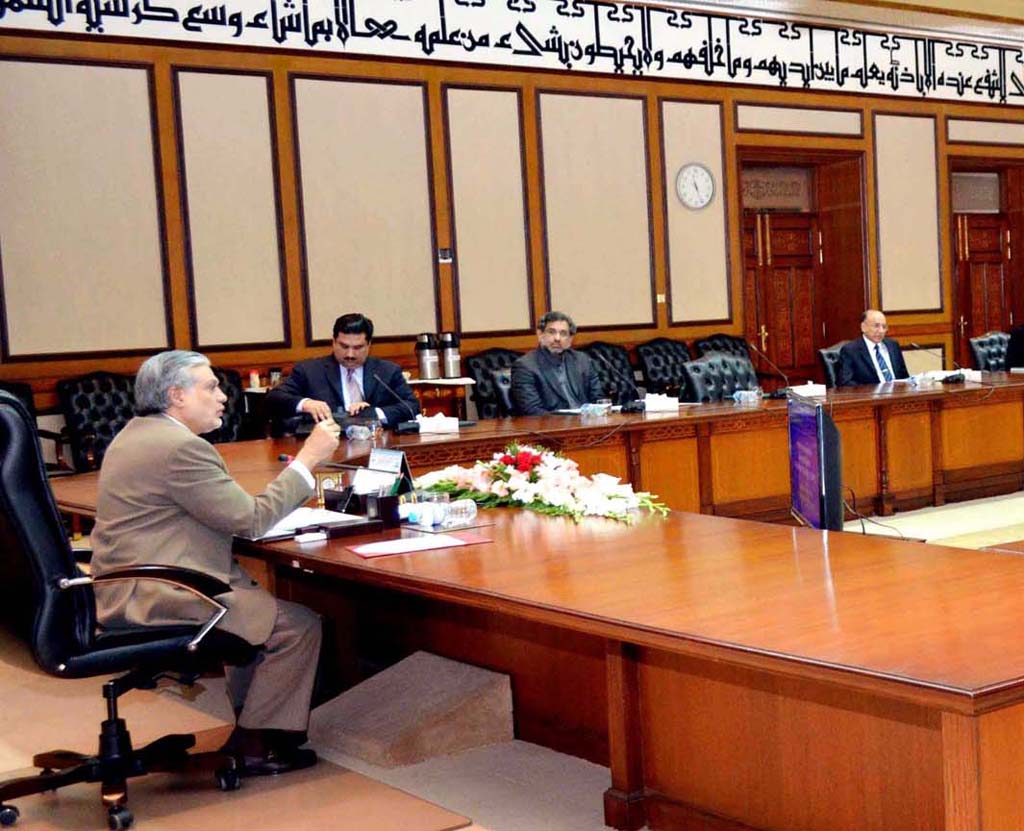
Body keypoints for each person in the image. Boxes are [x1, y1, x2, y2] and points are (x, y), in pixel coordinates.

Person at [90, 350, 341, 776]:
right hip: (158, 592)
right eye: (210, 387)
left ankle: (253, 721)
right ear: (176, 396)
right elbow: (251, 519)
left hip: (126, 582)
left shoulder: (137, 434)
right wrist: (308, 460)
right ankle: (258, 742)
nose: (223, 397)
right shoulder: (180, 448)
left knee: (252, 602)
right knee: (296, 626)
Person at [266, 313, 419, 427]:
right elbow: (274, 398)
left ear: (369, 345)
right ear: (333, 342)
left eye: (358, 347)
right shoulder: (309, 371)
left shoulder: (387, 371)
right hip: (326, 448)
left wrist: (373, 414)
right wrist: (306, 403)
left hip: (377, 446)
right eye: (344, 346)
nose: (350, 354)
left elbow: (412, 406)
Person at [511, 311, 605, 415]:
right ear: (540, 334)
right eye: (551, 332)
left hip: (588, 424)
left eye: (563, 333)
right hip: (552, 427)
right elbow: (532, 411)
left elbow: (598, 399)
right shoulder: (525, 366)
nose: (557, 338)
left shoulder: (582, 360)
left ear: (570, 339)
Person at [837, 309, 909, 387]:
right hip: (871, 396)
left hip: (897, 395)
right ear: (863, 327)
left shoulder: (893, 345)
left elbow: (904, 376)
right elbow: (845, 383)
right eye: (876, 326)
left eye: (884, 327)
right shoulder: (851, 350)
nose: (881, 331)